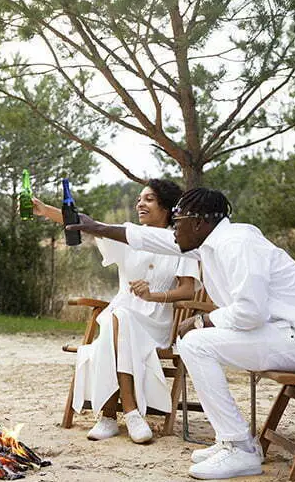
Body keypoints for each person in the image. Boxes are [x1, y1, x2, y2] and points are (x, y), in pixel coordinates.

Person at [67, 187, 295, 479]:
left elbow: (251, 311)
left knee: (196, 343)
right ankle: (231, 441)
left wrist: (201, 321)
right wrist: (95, 227)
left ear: (198, 223)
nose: (173, 229)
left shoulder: (237, 244)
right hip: (282, 333)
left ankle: (238, 447)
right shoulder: (210, 242)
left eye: (177, 220)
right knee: (194, 343)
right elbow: (151, 238)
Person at [34, 179, 199, 443]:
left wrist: (153, 294)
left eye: (149, 199)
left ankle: (110, 416)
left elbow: (188, 290)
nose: (140, 204)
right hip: (121, 315)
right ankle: (130, 413)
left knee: (114, 319)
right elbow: (88, 224)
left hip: (155, 321)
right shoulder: (127, 234)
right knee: (117, 317)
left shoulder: (181, 242)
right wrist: (45, 210)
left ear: (166, 206)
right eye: (138, 199)